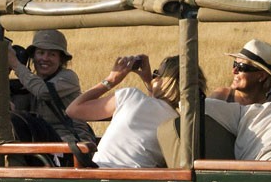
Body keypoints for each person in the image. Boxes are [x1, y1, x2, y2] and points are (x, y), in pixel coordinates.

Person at [67, 55, 207, 168]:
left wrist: (111, 79)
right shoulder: (180, 122)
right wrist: (149, 82)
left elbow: (73, 110)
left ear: (161, 80)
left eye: (156, 74)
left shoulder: (130, 96)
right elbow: (158, 107)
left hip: (101, 172)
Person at [8, 30, 95, 144]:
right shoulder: (29, 83)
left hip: (70, 141)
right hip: (39, 140)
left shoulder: (68, 77)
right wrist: (5, 69)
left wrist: (16, 64)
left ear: (61, 60)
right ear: (33, 57)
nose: (45, 58)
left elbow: (43, 91)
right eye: (40, 53)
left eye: (52, 54)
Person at [210, 39, 271, 105]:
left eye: (241, 66)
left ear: (261, 76)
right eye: (235, 64)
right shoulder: (220, 97)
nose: (234, 71)